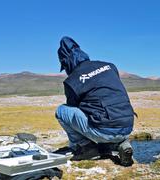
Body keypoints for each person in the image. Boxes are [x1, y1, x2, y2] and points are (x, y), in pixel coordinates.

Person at [53, 36, 135, 166]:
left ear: (66, 62)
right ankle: (122, 143)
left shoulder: (72, 80)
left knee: (62, 111)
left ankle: (85, 147)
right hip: (128, 126)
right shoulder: (109, 66)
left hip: (104, 130)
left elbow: (74, 108)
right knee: (111, 113)